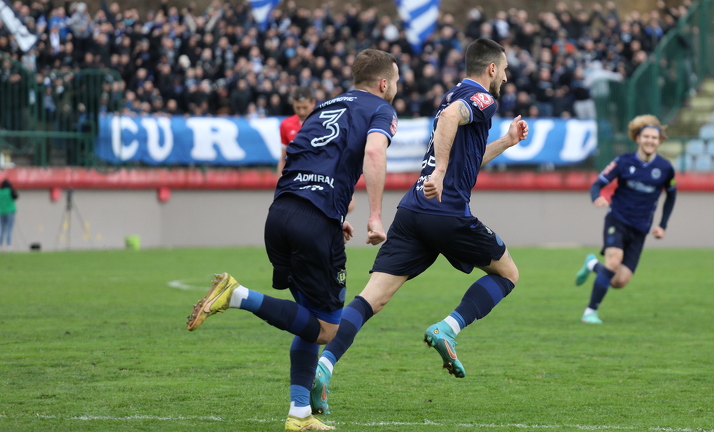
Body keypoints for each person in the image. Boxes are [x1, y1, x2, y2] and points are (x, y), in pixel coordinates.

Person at [309, 38, 529, 416]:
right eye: (505, 69)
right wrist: (441, 172)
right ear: (491, 68)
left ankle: (323, 367)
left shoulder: (452, 95)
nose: (506, 78)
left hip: (413, 211)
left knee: (371, 298)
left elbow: (467, 156)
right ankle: (449, 327)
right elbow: (449, 124)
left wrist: (506, 142)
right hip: (445, 212)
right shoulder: (482, 98)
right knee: (508, 273)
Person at [185, 49, 400, 432]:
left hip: (281, 213)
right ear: (383, 83)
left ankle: (299, 414)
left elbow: (300, 159)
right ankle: (236, 295)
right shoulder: (380, 109)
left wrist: (331, 218)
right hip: (312, 223)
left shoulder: (323, 108)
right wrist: (374, 215)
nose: (397, 87)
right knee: (327, 328)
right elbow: (373, 152)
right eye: (396, 80)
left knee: (308, 319)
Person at [574, 114, 677, 324]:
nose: (650, 141)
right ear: (638, 138)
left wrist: (662, 225)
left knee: (619, 281)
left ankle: (592, 264)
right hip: (617, 220)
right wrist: (597, 197)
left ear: (659, 141)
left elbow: (672, 196)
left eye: (654, 138)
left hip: (641, 228)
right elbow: (597, 185)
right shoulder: (623, 162)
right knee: (613, 261)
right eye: (646, 136)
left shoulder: (665, 168)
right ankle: (590, 312)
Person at [278, 86, 316, 174]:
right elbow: (283, 159)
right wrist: (280, 184)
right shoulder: (286, 124)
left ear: (313, 103)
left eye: (305, 107)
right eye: (297, 108)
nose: (301, 112)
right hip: (295, 179)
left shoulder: (324, 123)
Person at [0, 177, 18, 250]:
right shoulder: (10, 191)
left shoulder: (0, 192)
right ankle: (9, 245)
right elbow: (16, 196)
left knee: (2, 229)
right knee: (9, 229)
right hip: (10, 211)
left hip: (1, 212)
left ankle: (0, 245)